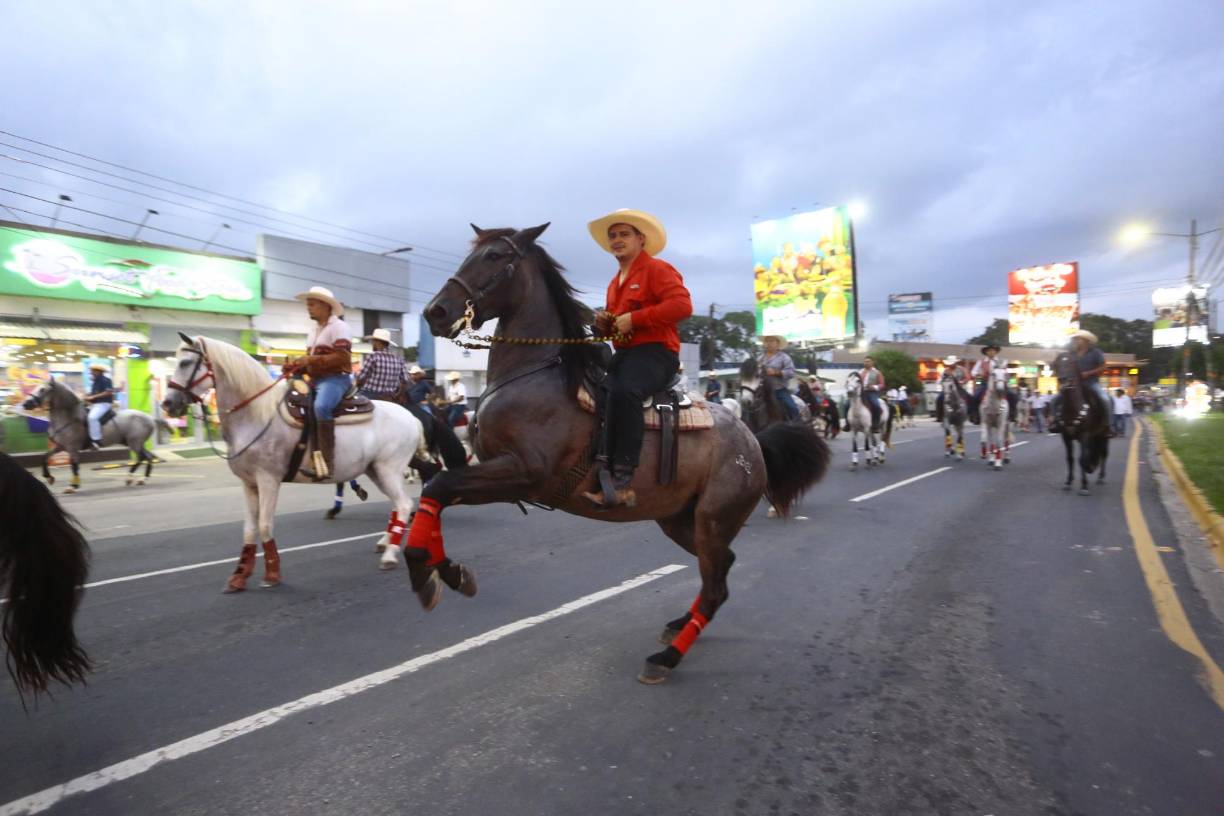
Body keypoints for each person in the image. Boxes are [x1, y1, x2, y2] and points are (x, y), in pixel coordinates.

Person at [580, 208, 692, 508]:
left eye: (624, 234)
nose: (617, 240)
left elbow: (682, 306)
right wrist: (604, 326)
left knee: (625, 390)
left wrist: (636, 319)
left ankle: (622, 479)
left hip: (657, 353)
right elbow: (617, 328)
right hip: (627, 355)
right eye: (613, 236)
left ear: (641, 239)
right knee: (595, 393)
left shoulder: (658, 269)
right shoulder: (614, 282)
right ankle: (600, 463)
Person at [291, 286, 352, 481]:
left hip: (336, 379)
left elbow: (342, 358)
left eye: (312, 304)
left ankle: (327, 462)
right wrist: (296, 367)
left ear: (326, 306)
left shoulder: (339, 327)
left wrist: (310, 361)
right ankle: (309, 458)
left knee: (322, 407)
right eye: (308, 304)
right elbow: (312, 362)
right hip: (316, 380)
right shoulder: (313, 331)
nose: (309, 308)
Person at [1049, 330, 1111, 430]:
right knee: (1054, 400)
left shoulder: (1096, 352)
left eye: (1078, 339)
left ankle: (1108, 425)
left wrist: (1088, 373)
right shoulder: (1071, 354)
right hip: (1074, 383)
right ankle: (1055, 422)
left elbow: (1103, 367)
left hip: (1091, 383)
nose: (1076, 341)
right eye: (1075, 339)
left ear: (1086, 340)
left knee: (1106, 399)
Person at [356, 328, 409, 402]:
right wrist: (399, 394)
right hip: (390, 397)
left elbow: (361, 377)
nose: (372, 344)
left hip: (370, 394)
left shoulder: (373, 356)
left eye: (373, 341)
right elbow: (405, 380)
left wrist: (356, 387)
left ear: (377, 342)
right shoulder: (399, 359)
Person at [760, 335, 801, 421]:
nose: (769, 343)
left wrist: (776, 372)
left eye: (771, 341)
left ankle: (798, 427)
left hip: (779, 390)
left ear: (778, 344)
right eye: (767, 341)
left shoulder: (784, 357)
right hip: (763, 391)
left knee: (792, 407)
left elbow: (791, 372)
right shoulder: (760, 358)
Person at [83, 362, 114, 448]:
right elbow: (93, 395)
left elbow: (108, 392)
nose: (91, 373)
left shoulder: (106, 380)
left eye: (92, 371)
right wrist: (87, 397)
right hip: (95, 405)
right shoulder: (94, 382)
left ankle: (96, 440)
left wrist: (93, 397)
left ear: (98, 371)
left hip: (104, 404)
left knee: (92, 418)